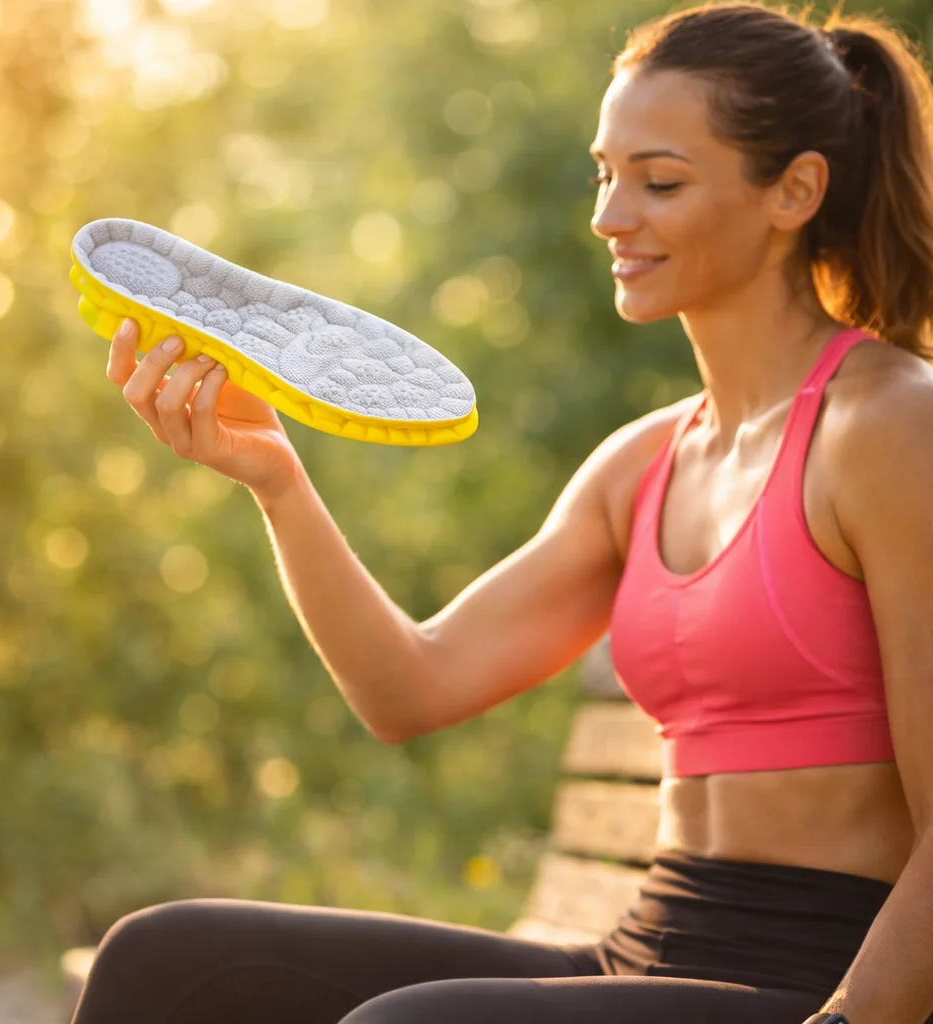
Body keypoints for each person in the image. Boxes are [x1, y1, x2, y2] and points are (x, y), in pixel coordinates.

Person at [70, 3, 933, 1022]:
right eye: (603, 173)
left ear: (793, 190)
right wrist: (276, 479)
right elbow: (411, 687)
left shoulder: (888, 426)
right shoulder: (644, 462)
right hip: (645, 952)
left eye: (658, 181)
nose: (611, 215)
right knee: (164, 959)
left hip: (817, 978)